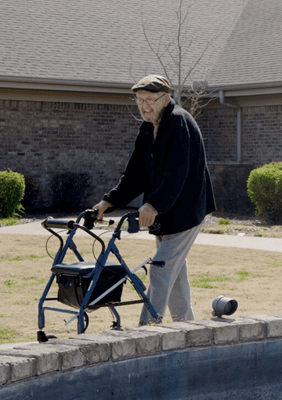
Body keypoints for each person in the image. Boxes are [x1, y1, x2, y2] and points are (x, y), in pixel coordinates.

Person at [93, 74, 216, 324]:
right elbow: (136, 172)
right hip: (166, 212)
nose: (144, 105)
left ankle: (147, 330)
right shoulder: (148, 127)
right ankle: (186, 326)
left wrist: (153, 204)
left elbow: (176, 174)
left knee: (160, 270)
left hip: (186, 211)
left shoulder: (178, 123)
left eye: (150, 99)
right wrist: (110, 201)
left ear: (166, 98)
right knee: (173, 271)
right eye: (139, 100)